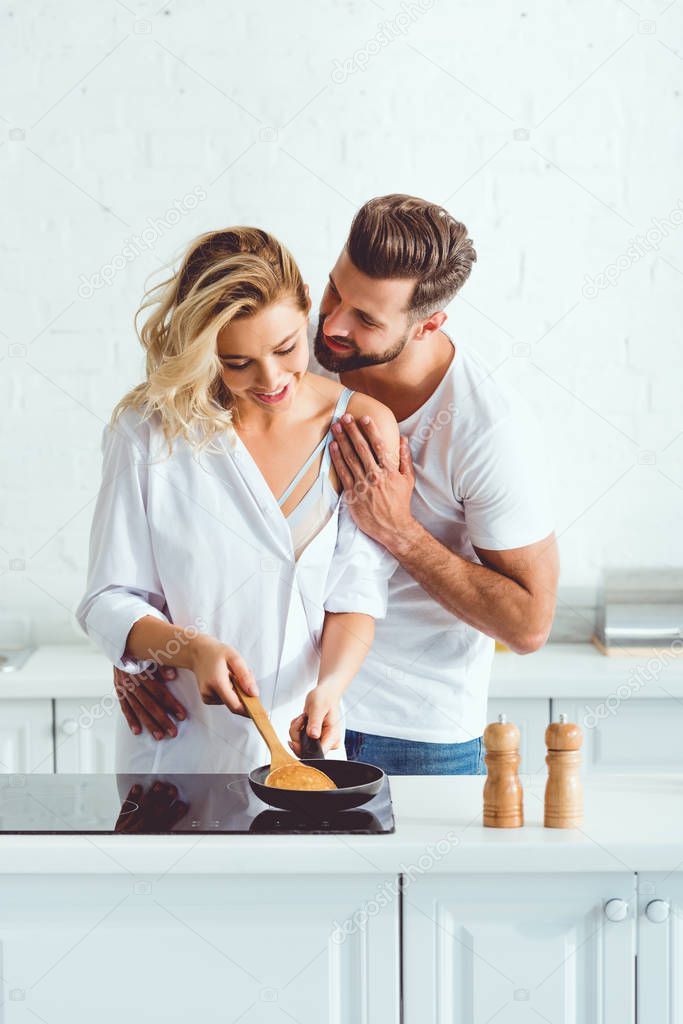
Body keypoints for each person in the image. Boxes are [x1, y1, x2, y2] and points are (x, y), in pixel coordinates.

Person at [112, 196, 559, 778]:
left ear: (428, 324)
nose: (335, 324)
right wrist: (136, 642)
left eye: (367, 319)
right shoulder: (292, 356)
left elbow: (529, 625)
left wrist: (399, 531)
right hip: (285, 712)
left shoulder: (484, 429)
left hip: (413, 727)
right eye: (334, 292)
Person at [75, 227, 398, 774]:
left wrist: (331, 688)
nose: (272, 379)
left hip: (305, 748)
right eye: (237, 361)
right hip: (177, 747)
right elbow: (107, 599)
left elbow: (356, 595)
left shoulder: (360, 425)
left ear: (308, 315)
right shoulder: (149, 433)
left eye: (286, 347)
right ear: (202, 351)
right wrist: (190, 649)